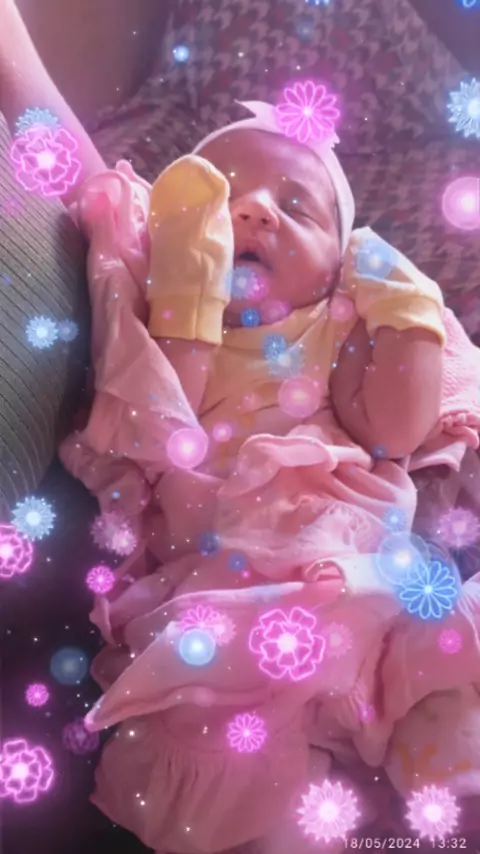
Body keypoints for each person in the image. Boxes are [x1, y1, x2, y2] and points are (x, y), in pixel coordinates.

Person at [2, 3, 480, 852]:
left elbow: (395, 433)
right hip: (227, 576)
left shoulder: (334, 324)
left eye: (297, 206)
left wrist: (402, 304)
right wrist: (190, 289)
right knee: (239, 750)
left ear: (337, 266)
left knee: (431, 667)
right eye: (221, 199)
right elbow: (162, 426)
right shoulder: (162, 314)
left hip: (353, 550)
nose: (255, 210)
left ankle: (450, 792)